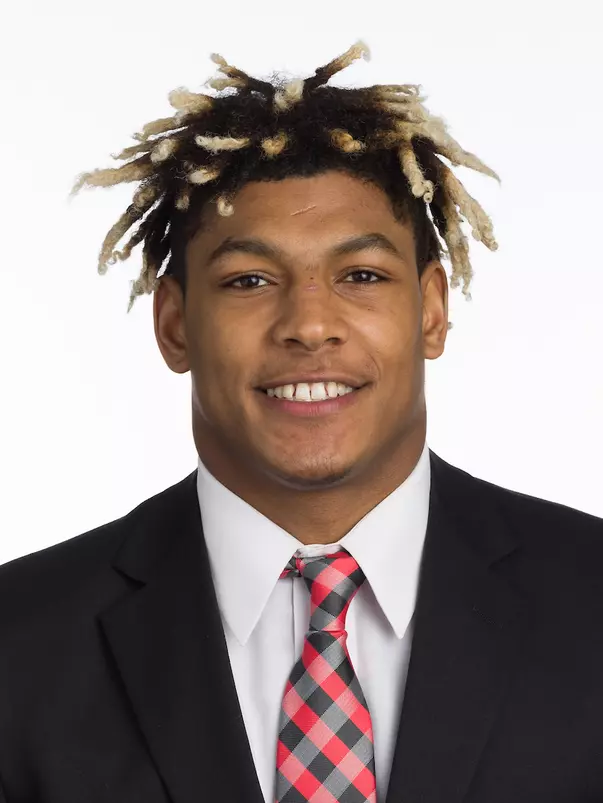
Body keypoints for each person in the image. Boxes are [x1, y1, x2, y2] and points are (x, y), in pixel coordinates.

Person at [0, 39, 601, 803]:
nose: (309, 325)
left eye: (360, 275)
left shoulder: (589, 604)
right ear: (175, 325)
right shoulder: (19, 646)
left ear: (432, 311)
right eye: (249, 279)